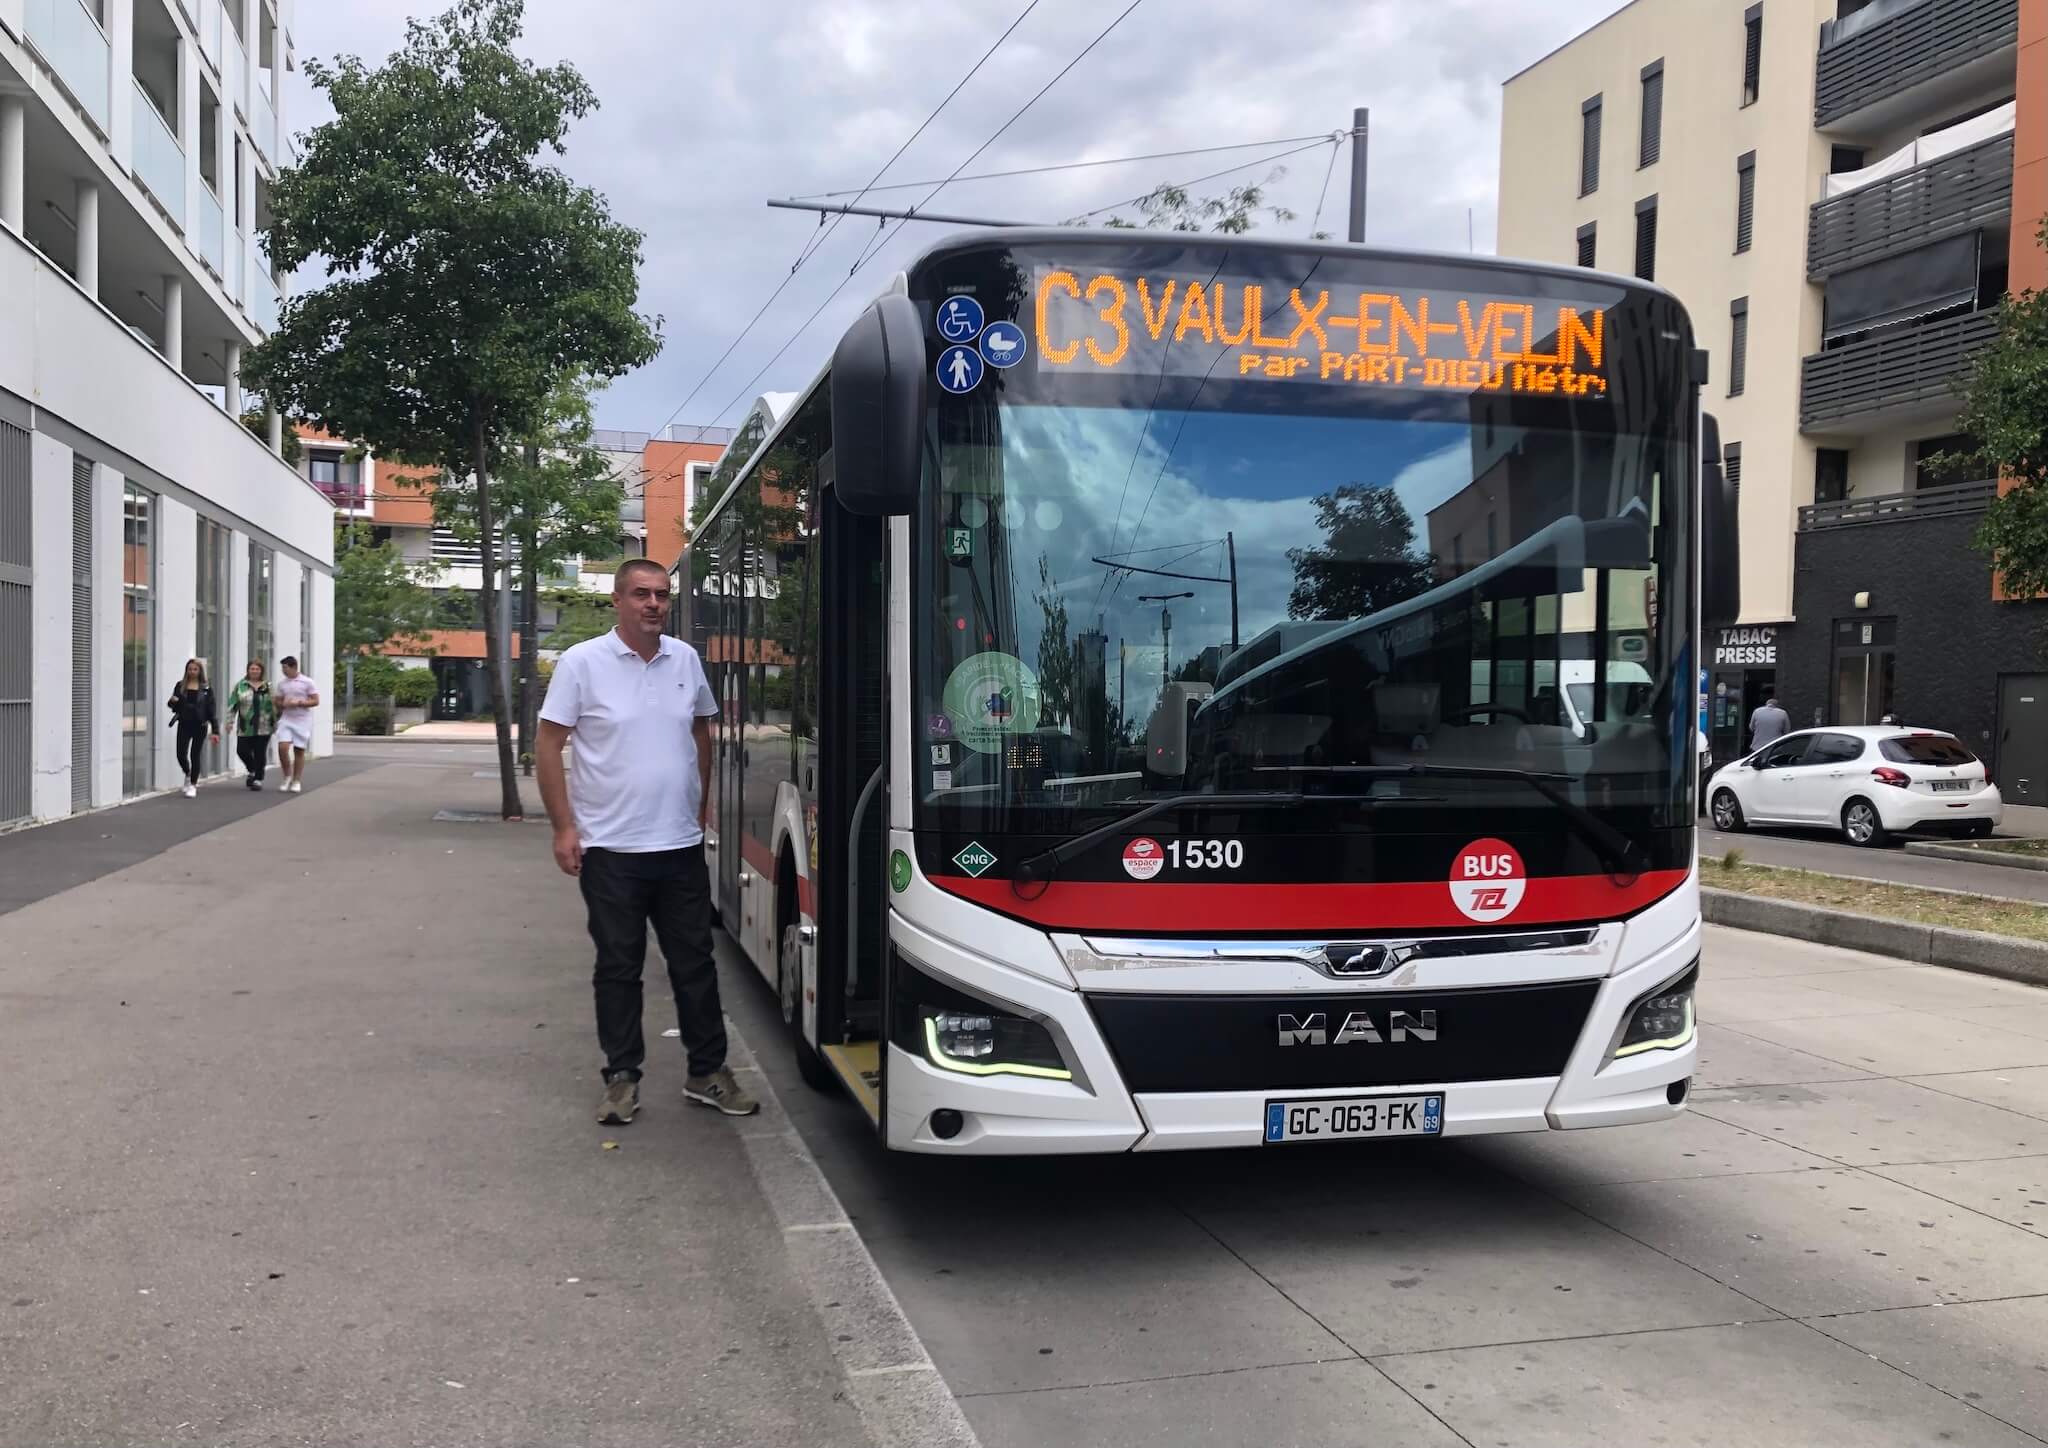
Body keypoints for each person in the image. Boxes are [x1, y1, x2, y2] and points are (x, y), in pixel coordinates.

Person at [535, 558, 757, 1126]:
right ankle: (621, 1078)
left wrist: (699, 804)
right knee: (618, 967)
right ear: (617, 600)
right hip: (610, 850)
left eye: (661, 594)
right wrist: (564, 827)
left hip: (678, 846)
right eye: (641, 594)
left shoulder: (684, 659)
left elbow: (701, 730)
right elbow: (549, 744)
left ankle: (707, 1073)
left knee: (695, 965)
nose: (653, 604)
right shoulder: (582, 663)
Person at [166, 659, 219, 798]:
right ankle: (188, 773)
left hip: (199, 725)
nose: (192, 672)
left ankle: (193, 785)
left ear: (200, 671)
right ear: (186, 670)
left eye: (195, 669)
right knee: (180, 754)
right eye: (190, 669)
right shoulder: (180, 685)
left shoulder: (206, 689)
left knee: (195, 755)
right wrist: (172, 701)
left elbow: (211, 710)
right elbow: (172, 705)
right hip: (184, 723)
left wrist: (215, 730)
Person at [224, 660, 277, 791]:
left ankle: (258, 778)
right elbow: (232, 705)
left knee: (260, 752)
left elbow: (275, 705)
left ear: (261, 671)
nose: (254, 671)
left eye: (257, 669)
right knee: (241, 750)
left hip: (264, 725)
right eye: (252, 669)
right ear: (248, 670)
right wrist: (229, 721)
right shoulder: (241, 686)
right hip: (245, 725)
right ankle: (252, 769)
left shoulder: (268, 686)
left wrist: (277, 721)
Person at [274, 656, 320, 793]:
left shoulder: (307, 682)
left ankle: (296, 780)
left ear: (294, 667)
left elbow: (316, 701)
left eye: (285, 668)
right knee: (282, 747)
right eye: (282, 668)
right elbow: (277, 701)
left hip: (302, 720)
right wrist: (282, 704)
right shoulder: (282, 684)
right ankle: (287, 776)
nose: (283, 671)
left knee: (299, 750)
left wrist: (299, 703)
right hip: (287, 718)